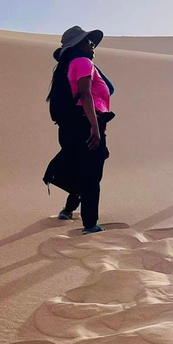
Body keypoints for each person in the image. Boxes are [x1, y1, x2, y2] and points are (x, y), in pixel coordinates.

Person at [43, 26, 115, 235]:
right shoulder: (83, 62)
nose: (92, 46)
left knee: (80, 167)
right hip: (85, 122)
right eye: (88, 42)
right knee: (92, 174)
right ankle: (90, 225)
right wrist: (95, 127)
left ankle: (68, 209)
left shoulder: (68, 65)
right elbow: (85, 95)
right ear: (77, 45)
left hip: (72, 125)